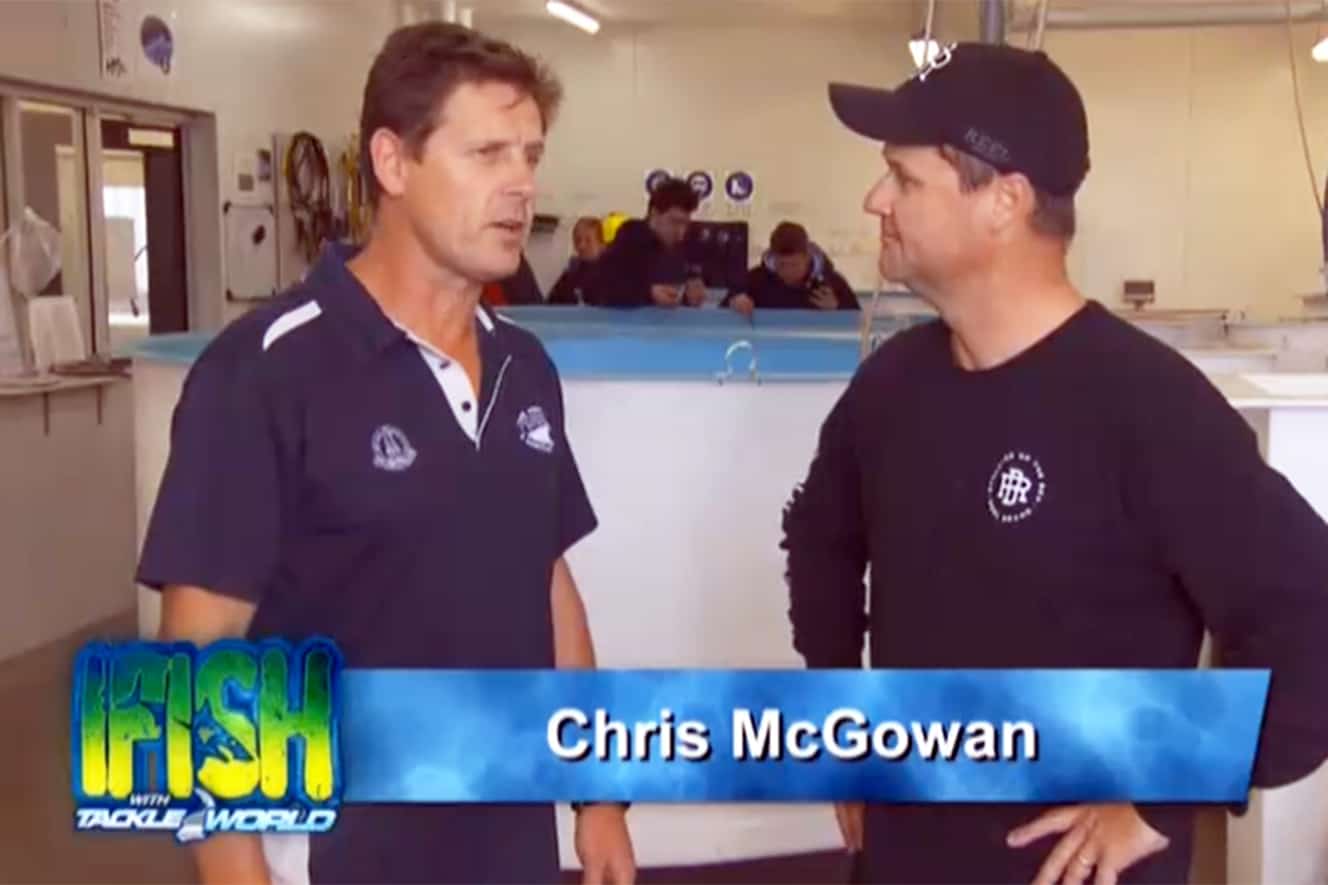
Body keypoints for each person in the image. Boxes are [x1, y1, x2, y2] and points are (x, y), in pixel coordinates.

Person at [783, 42, 1328, 884]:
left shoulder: (1147, 406)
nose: (875, 200)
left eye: (903, 178)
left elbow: (1311, 621)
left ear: (1004, 201)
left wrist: (1162, 796)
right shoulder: (891, 386)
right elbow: (819, 535)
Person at [136, 22, 635, 885]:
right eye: (486, 153)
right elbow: (196, 662)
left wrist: (597, 797)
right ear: (393, 162)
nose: (521, 185)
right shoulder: (263, 373)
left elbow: (548, 583)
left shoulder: (524, 366)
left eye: (530, 155)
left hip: (507, 838)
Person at [587, 177, 706, 308]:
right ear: (654, 214)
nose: (681, 232)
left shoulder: (685, 244)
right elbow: (600, 288)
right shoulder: (631, 237)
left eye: (685, 224)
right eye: (674, 222)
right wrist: (649, 293)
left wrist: (690, 294)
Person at [723, 221, 859, 316]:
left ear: (807, 257)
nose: (788, 272)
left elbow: (858, 323)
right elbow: (722, 313)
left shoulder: (832, 283)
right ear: (773, 259)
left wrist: (837, 309)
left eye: (794, 265)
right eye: (781, 265)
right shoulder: (755, 280)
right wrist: (734, 303)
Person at [548, 216, 606, 305]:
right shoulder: (570, 274)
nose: (581, 246)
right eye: (578, 240)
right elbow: (550, 304)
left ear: (601, 244)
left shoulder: (611, 276)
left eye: (588, 241)